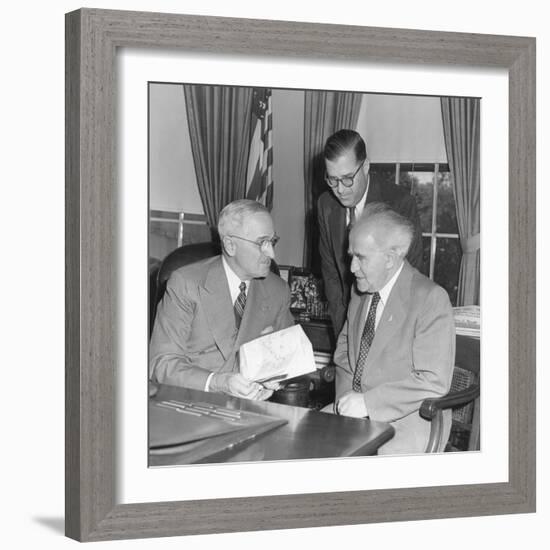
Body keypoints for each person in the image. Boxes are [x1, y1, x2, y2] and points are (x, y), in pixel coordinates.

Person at [331, 202, 455, 455]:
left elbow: (433, 381)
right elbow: (343, 354)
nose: (352, 268)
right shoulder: (361, 291)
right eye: (351, 256)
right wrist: (348, 402)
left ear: (389, 258)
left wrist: (368, 403)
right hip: (353, 412)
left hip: (410, 419)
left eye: (361, 258)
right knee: (306, 444)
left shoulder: (430, 298)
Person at [149, 199, 294, 400]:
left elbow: (288, 360)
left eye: (273, 241)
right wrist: (219, 382)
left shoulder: (278, 289)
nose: (272, 253)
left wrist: (275, 377)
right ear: (230, 245)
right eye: (262, 243)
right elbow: (161, 364)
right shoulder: (186, 283)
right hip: (190, 405)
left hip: (251, 411)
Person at [317, 129, 424, 336]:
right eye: (332, 180)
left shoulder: (400, 204)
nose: (340, 189)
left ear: (365, 166)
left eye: (348, 178)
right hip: (347, 323)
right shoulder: (325, 205)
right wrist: (345, 335)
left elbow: (409, 278)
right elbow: (331, 276)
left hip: (391, 325)